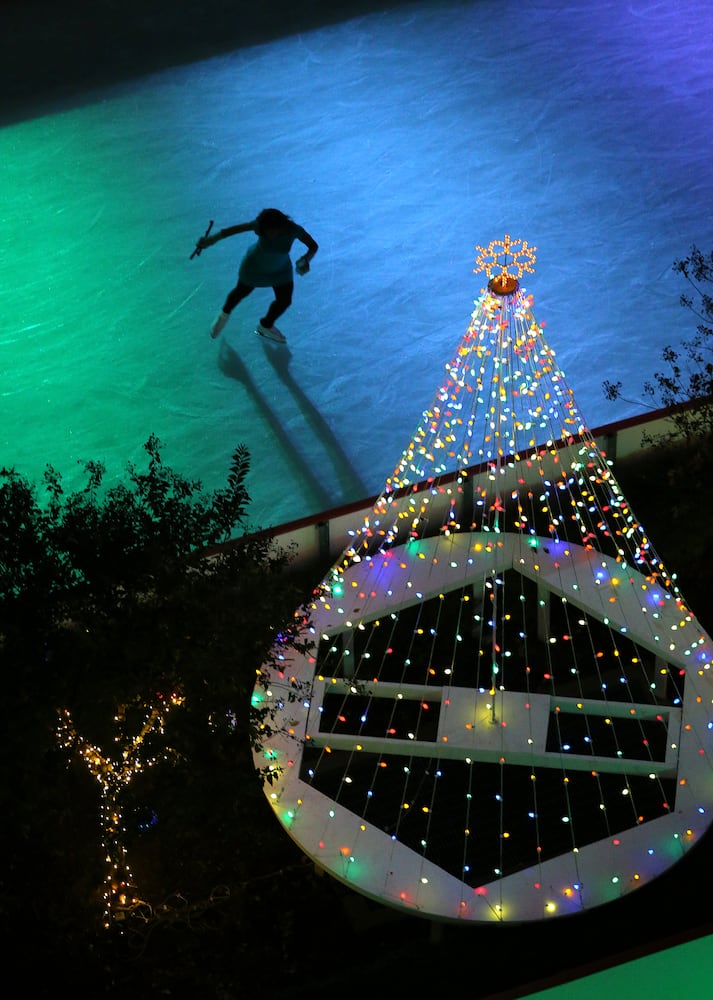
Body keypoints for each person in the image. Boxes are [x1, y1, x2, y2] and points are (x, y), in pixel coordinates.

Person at [195, 208, 318, 343]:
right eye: (265, 231)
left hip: (281, 271)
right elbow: (232, 230)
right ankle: (222, 316)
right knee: (239, 293)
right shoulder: (260, 226)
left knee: (284, 300)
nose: (268, 234)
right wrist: (210, 240)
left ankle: (266, 325)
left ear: (280, 226)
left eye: (271, 231)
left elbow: (313, 246)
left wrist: (306, 259)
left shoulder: (294, 229)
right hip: (254, 268)